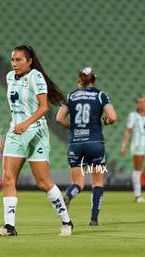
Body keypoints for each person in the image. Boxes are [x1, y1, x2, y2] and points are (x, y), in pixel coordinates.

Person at [0, 45, 73, 236]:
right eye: (12, 60)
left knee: (43, 182)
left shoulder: (36, 77)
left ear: (29, 61)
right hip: (16, 133)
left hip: (35, 132)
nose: (14, 64)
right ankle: (9, 227)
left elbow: (44, 108)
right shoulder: (10, 77)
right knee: (8, 179)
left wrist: (26, 124)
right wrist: (16, 129)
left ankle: (67, 222)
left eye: (19, 60)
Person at [56, 67, 117, 226]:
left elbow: (59, 118)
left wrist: (73, 128)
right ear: (94, 80)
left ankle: (69, 195)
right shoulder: (100, 95)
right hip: (95, 143)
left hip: (75, 143)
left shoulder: (71, 95)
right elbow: (112, 117)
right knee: (97, 183)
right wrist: (106, 121)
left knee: (78, 183)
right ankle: (94, 219)